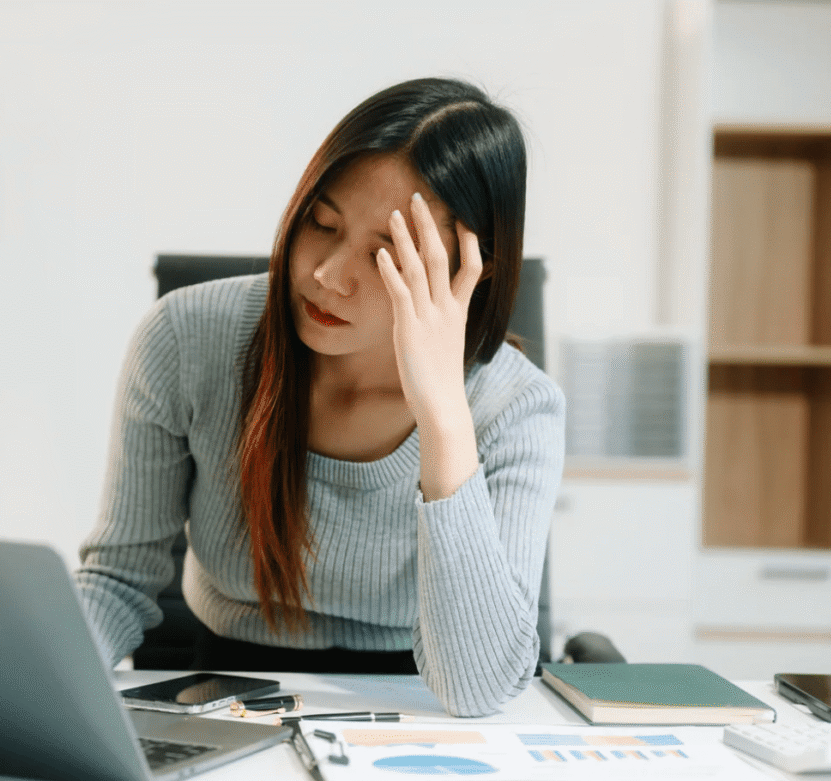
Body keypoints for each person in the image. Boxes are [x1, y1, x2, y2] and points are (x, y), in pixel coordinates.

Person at [75, 77, 564, 718]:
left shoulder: (517, 408)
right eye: (322, 223)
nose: (328, 275)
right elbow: (116, 581)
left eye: (387, 254)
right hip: (222, 685)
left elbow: (478, 689)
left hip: (425, 701)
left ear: (472, 267)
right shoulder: (186, 338)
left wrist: (444, 415)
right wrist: (34, 690)